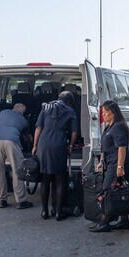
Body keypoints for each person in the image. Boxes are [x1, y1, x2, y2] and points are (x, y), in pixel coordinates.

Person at [89, 100, 129, 233]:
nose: (103, 114)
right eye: (103, 112)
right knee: (119, 191)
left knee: (107, 190)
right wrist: (101, 161)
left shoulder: (118, 126)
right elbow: (105, 146)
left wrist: (120, 167)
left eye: (106, 112)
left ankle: (104, 222)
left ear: (113, 113)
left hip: (118, 163)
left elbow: (122, 148)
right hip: (111, 162)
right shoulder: (109, 126)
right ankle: (124, 221)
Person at [33, 91, 79, 221]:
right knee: (60, 180)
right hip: (59, 143)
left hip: (44, 143)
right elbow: (75, 132)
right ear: (69, 102)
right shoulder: (70, 111)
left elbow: (38, 128)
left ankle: (44, 211)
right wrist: (70, 146)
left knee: (45, 179)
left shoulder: (46, 107)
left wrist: (35, 145)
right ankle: (59, 212)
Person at [0, 103, 33, 209]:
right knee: (17, 170)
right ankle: (21, 200)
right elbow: (27, 139)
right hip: (11, 141)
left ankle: (1, 200)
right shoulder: (23, 120)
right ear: (22, 112)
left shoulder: (2, 113)